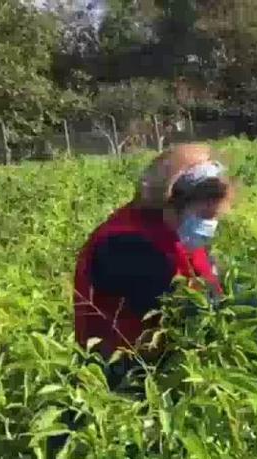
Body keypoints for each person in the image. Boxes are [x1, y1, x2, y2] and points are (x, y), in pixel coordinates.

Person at [73, 143, 241, 388]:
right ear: (171, 204)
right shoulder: (123, 245)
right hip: (122, 381)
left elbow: (213, 281)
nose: (208, 226)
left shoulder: (174, 230)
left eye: (213, 218)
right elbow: (188, 313)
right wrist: (246, 316)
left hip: (164, 371)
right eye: (204, 217)